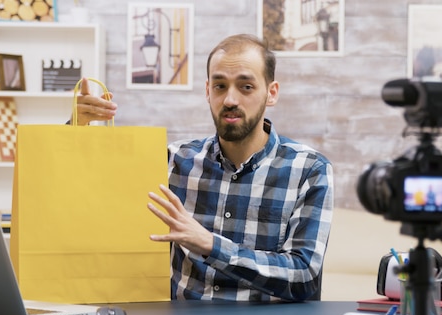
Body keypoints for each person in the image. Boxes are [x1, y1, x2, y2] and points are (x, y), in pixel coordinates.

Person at [74, 34, 334, 301]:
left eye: (246, 87)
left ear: (271, 93)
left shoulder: (309, 169)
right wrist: (76, 130)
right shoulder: (174, 161)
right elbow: (91, 199)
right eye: (220, 86)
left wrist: (211, 245)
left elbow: (305, 275)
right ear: (208, 91)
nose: (230, 99)